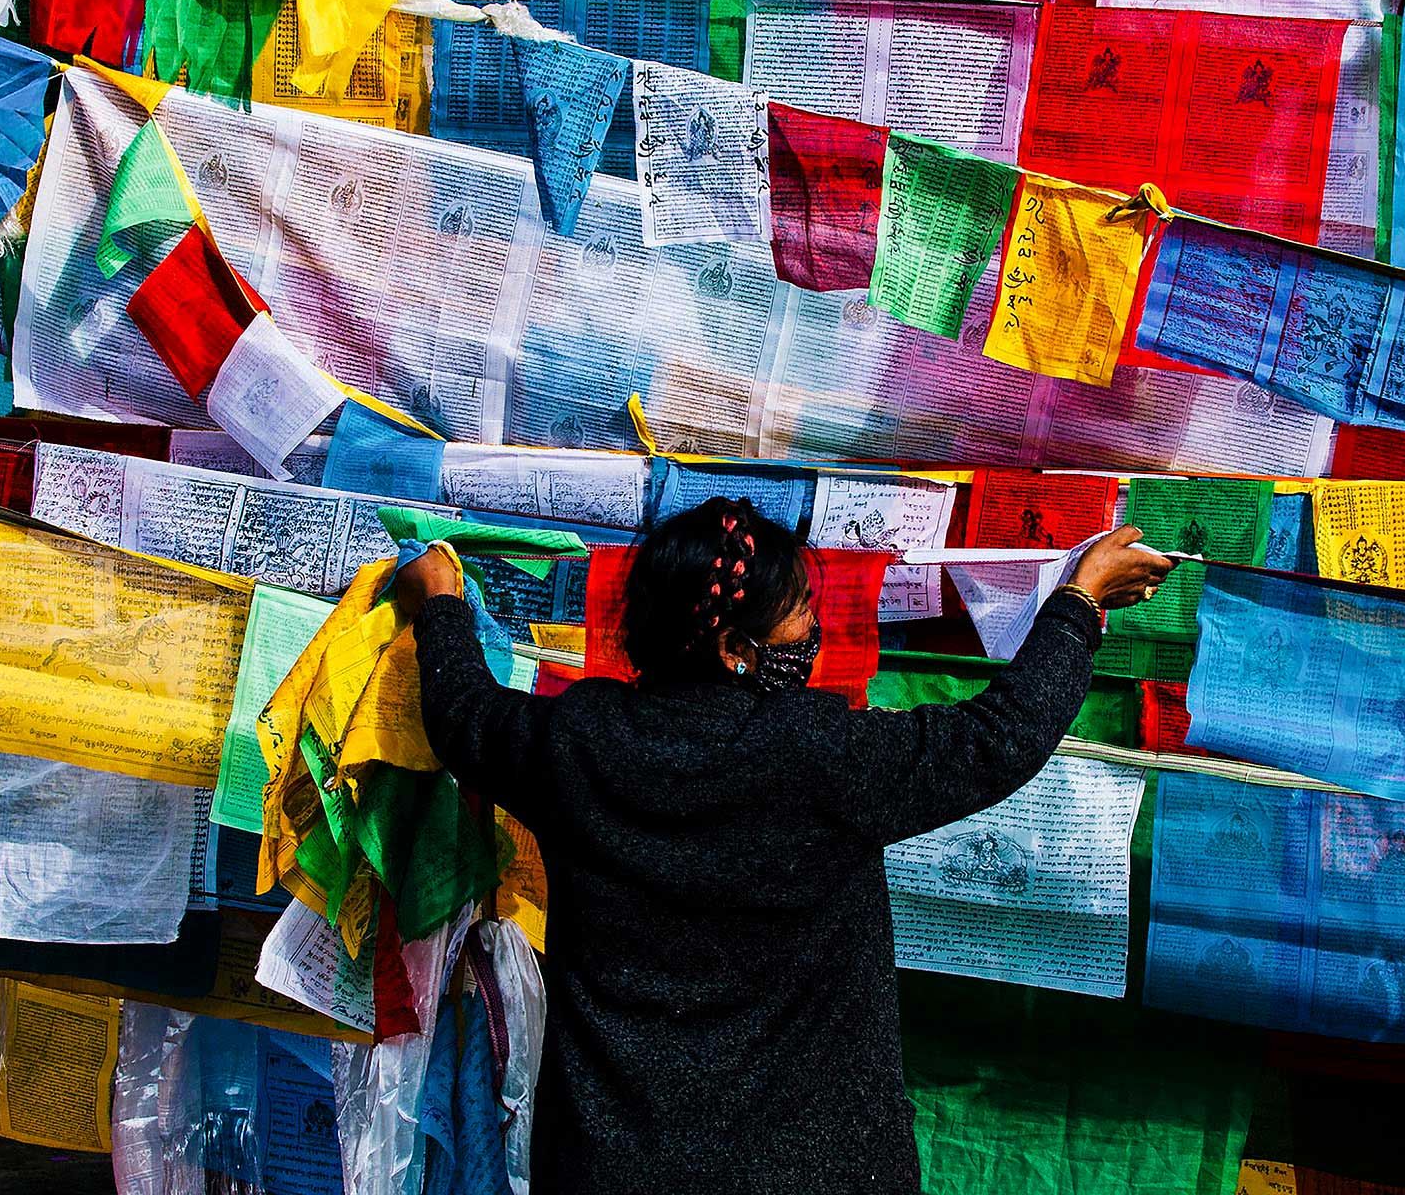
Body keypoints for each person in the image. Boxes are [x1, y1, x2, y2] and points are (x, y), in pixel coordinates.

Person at [395, 498, 1175, 1194]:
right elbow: (996, 739)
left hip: (615, 1165)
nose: (815, 629)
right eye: (801, 613)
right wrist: (1078, 603)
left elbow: (463, 714)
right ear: (735, 648)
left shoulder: (573, 743)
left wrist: (439, 604)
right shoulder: (819, 756)